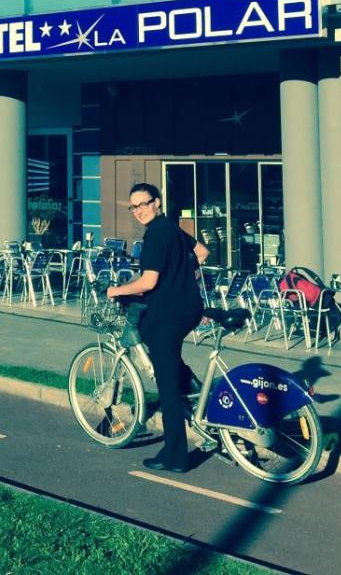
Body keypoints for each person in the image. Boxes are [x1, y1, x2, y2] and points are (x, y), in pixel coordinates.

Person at [108, 182, 208, 474]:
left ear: (157, 202)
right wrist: (180, 277)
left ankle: (175, 456)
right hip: (190, 309)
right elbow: (203, 253)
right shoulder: (173, 229)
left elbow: (148, 282)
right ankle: (194, 391)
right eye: (134, 206)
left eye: (144, 204)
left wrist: (116, 290)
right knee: (170, 362)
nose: (139, 210)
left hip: (168, 316)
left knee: (167, 389)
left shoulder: (154, 235)